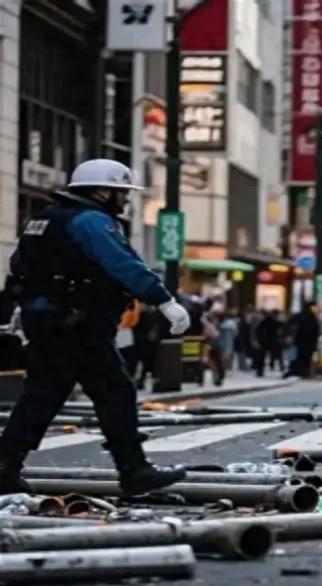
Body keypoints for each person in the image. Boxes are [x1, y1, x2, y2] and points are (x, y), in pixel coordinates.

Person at [0, 158, 192, 494]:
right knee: (115, 390)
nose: (125, 199)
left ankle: (5, 466)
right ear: (103, 192)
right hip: (77, 324)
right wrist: (164, 300)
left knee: (43, 394)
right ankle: (134, 470)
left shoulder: (44, 219)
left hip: (46, 320)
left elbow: (19, 266)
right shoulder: (91, 221)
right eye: (121, 192)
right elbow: (123, 264)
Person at [286, 301, 321, 378]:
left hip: (298, 341)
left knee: (296, 358)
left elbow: (288, 325)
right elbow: (316, 331)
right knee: (306, 358)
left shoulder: (298, 316)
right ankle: (304, 372)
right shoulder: (312, 318)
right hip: (308, 342)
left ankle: (295, 371)